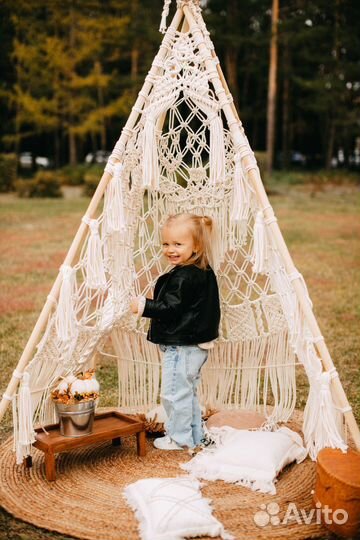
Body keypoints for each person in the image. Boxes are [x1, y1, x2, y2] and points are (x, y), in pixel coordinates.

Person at [130, 213, 221, 451]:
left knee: (174, 394)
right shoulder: (201, 270)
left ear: (196, 246)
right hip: (194, 344)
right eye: (166, 244)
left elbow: (171, 308)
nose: (170, 249)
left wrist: (143, 306)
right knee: (187, 393)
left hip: (183, 345)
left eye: (178, 244)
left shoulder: (185, 276)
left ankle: (179, 438)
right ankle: (194, 435)